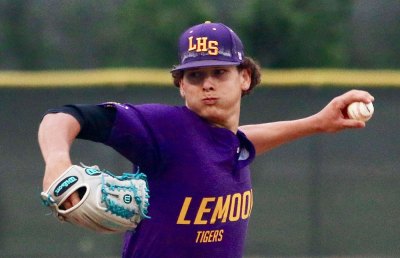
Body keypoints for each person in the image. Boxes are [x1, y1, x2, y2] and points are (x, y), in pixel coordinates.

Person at [38, 21, 374, 258]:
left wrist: (316, 123)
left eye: (219, 72)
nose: (207, 83)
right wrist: (57, 162)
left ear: (244, 77)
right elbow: (63, 116)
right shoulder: (166, 128)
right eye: (195, 75)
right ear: (181, 85)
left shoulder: (229, 143)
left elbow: (242, 142)